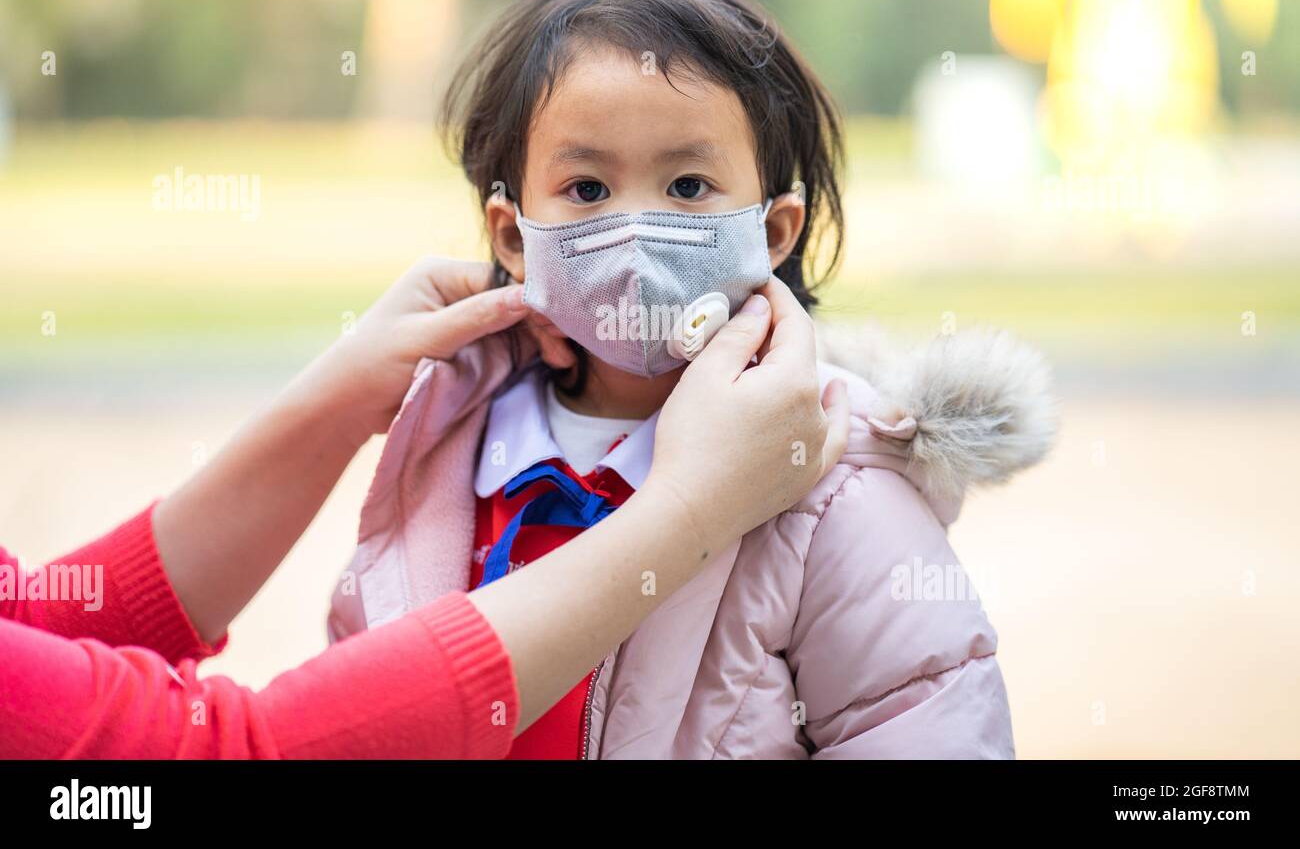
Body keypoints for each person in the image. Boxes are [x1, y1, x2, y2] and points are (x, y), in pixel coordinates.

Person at [332, 0, 1052, 758]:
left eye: (687, 186)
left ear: (774, 231)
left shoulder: (832, 479)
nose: (635, 231)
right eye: (587, 188)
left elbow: (919, 726)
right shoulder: (449, 454)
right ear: (513, 236)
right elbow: (358, 695)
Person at [0, 256, 849, 758]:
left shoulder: (847, 468)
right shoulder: (456, 473)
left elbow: (30, 622)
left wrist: (340, 400)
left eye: (690, 184)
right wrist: (689, 516)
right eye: (587, 188)